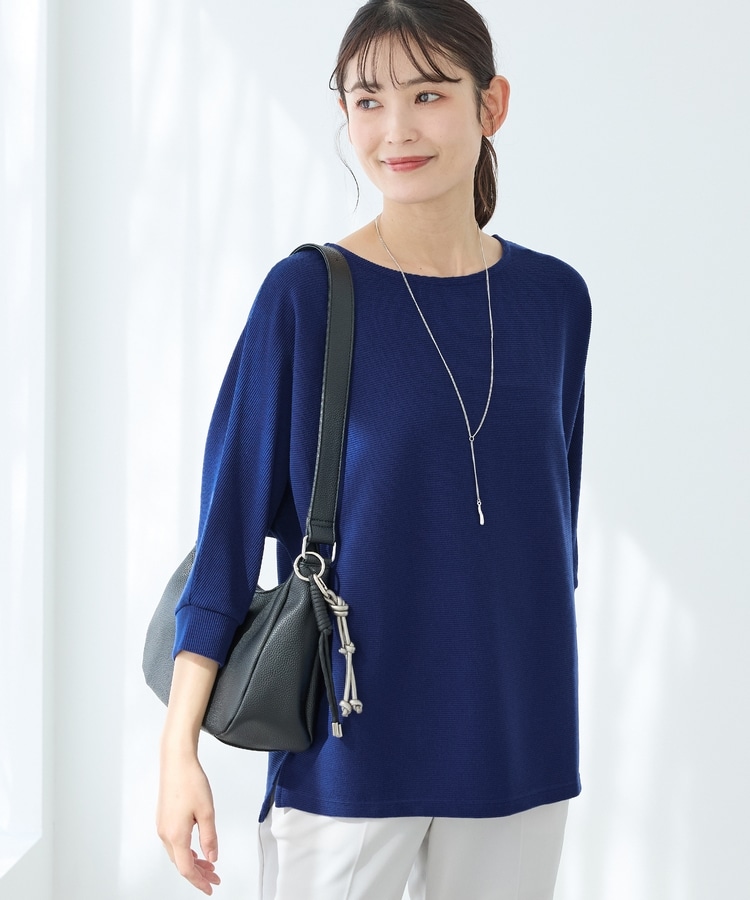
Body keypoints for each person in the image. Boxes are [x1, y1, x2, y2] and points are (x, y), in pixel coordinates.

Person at [156, 0, 591, 897]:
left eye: (428, 94)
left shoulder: (556, 301)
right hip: (346, 754)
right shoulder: (305, 297)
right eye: (367, 101)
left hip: (520, 745)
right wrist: (178, 751)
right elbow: (225, 537)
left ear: (491, 103)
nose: (396, 129)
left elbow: (554, 532)